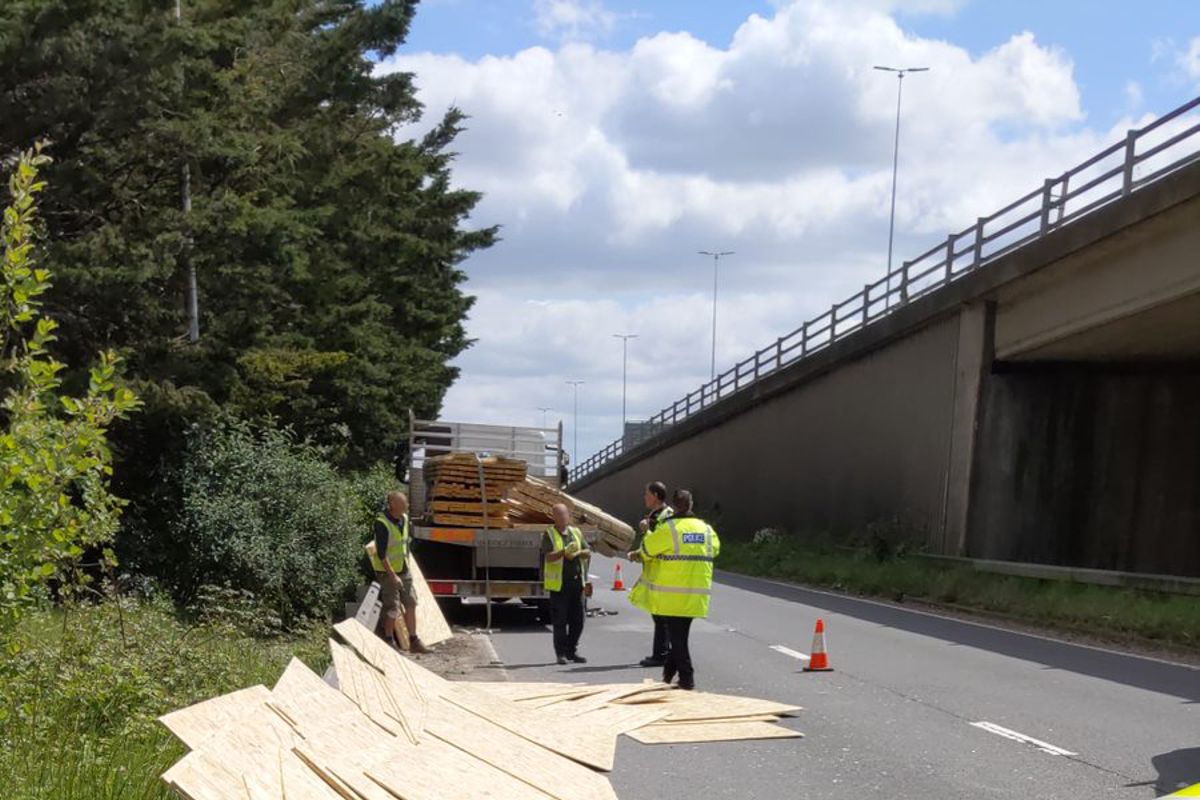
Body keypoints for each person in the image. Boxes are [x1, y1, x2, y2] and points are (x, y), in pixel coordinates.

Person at [630, 489, 719, 690]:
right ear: (691, 504)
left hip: (671, 595)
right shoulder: (705, 529)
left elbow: (647, 549)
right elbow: (716, 548)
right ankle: (668, 675)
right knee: (680, 635)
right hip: (696, 594)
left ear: (675, 505)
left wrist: (640, 549)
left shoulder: (670, 529)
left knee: (678, 639)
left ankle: (687, 678)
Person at [366, 491, 431, 654]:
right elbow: (381, 554)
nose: (406, 505)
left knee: (411, 602)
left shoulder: (404, 519)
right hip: (388, 572)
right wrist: (392, 575)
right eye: (403, 503)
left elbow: (405, 545)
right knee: (392, 607)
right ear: (392, 504)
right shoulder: (382, 523)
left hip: (404, 568)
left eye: (406, 503)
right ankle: (389, 640)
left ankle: (414, 640)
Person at [542, 502, 591, 665]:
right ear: (554, 518)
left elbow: (587, 551)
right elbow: (548, 557)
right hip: (559, 586)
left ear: (568, 516)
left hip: (577, 584)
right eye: (559, 515)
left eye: (565, 515)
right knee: (560, 621)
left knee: (578, 621)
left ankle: (572, 650)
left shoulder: (575, 532)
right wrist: (564, 552)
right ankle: (561, 653)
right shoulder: (549, 534)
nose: (563, 518)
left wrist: (577, 552)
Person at [632, 481, 673, 668]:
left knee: (661, 616)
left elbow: (657, 543)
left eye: (647, 494)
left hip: (663, 573)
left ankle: (661, 655)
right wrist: (639, 554)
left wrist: (645, 531)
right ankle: (666, 653)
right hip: (657, 572)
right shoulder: (655, 515)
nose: (644, 497)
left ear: (656, 495)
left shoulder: (665, 516)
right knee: (661, 615)